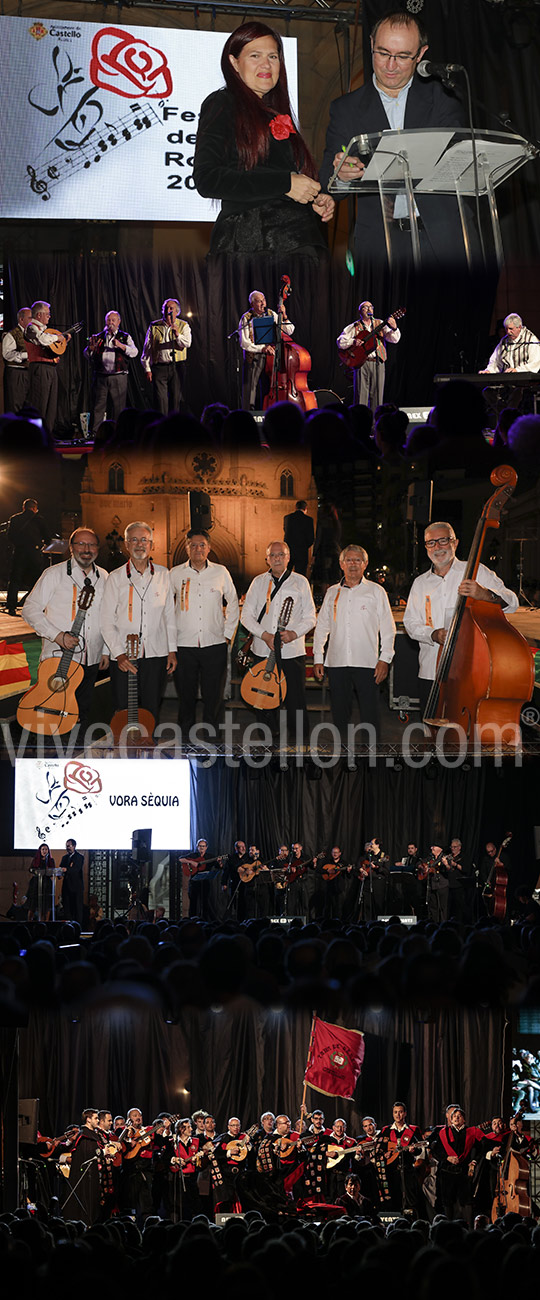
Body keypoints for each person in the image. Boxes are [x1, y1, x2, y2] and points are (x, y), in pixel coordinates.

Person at [319, 10, 466, 266]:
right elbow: (327, 179)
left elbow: (456, 164)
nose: (389, 65)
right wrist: (341, 176)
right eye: (383, 53)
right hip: (379, 245)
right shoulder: (346, 109)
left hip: (444, 240)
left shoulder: (443, 98)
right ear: (371, 45)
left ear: (420, 55)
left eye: (402, 56)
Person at [193, 22, 334, 258]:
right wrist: (285, 183)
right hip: (251, 246)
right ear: (234, 62)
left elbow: (280, 179)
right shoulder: (222, 103)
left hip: (297, 244)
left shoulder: (278, 114)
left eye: (273, 56)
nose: (266, 64)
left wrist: (313, 198)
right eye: (255, 55)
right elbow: (207, 179)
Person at [403, 521, 519, 712]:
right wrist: (433, 634)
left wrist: (485, 594)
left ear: (455, 543)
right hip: (431, 669)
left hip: (469, 669)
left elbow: (512, 603)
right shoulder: (420, 583)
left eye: (443, 540)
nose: (437, 547)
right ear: (426, 548)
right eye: (431, 543)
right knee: (431, 730)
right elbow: (410, 623)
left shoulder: (476, 571)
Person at [23, 527, 109, 730]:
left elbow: (108, 617)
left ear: (97, 548)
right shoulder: (53, 574)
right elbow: (30, 609)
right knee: (50, 715)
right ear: (71, 548)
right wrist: (57, 635)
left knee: (81, 714)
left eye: (91, 544)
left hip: (91, 659)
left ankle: (76, 755)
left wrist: (106, 650)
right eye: (81, 544)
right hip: (57, 658)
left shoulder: (105, 577)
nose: (86, 549)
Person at [100, 521, 177, 728]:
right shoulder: (115, 578)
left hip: (156, 654)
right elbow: (106, 620)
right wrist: (118, 653)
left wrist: (171, 651)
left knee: (151, 710)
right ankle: (123, 752)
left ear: (152, 544)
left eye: (144, 540)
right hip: (124, 657)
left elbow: (169, 615)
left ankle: (150, 749)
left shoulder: (164, 574)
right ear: (126, 544)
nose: (139, 544)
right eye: (134, 539)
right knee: (124, 711)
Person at [313, 544, 396, 737]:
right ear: (341, 564)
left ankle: (371, 759)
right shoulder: (332, 592)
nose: (353, 564)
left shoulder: (376, 592)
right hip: (337, 662)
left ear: (365, 564)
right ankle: (343, 757)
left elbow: (388, 628)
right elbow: (322, 626)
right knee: (340, 714)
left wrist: (385, 659)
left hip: (367, 663)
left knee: (370, 714)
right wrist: (318, 657)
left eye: (357, 560)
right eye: (349, 560)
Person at [241, 540, 316, 739]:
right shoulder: (258, 582)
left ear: (288, 557)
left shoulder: (300, 582)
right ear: (267, 559)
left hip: (291, 652)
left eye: (281, 554)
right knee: (263, 700)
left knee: (295, 701)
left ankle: (300, 746)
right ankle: (268, 744)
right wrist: (264, 635)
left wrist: (293, 633)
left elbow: (310, 616)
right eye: (273, 555)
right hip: (263, 650)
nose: (277, 558)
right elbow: (246, 616)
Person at [169, 529, 238, 741]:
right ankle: (186, 740)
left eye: (202, 545)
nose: (198, 549)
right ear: (187, 547)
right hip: (184, 644)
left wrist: (226, 634)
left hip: (214, 644)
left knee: (213, 696)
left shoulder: (221, 572)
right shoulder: (175, 573)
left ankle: (212, 738)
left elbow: (233, 602)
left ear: (209, 548)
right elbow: (166, 609)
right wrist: (170, 642)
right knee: (186, 696)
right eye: (193, 545)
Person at [239, 289, 295, 410]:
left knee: (268, 387)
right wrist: (262, 348)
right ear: (252, 304)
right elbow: (244, 343)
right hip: (254, 357)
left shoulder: (271, 314)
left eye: (263, 300)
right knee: (251, 388)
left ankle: (268, 411)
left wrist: (284, 316)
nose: (263, 304)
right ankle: (250, 414)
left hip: (271, 358)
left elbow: (289, 331)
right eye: (259, 302)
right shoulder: (246, 318)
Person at [337, 302, 401, 407]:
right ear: (360, 311)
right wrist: (353, 341)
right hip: (361, 363)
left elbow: (394, 339)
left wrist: (394, 328)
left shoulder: (380, 323)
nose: (368, 309)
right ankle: (360, 421)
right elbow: (340, 342)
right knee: (360, 395)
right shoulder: (354, 326)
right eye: (365, 307)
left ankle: (375, 422)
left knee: (377, 395)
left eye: (371, 307)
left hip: (378, 362)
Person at [84, 310, 138, 431]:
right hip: (101, 376)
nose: (111, 323)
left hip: (118, 376)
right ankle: (95, 433)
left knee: (118, 407)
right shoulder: (98, 337)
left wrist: (121, 346)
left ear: (119, 322)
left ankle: (118, 432)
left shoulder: (125, 337)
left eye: (113, 320)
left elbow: (135, 352)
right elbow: (87, 355)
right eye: (109, 320)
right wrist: (90, 349)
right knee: (98, 405)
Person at [25, 300, 71, 432]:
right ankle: (36, 437)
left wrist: (62, 342)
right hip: (40, 368)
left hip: (51, 368)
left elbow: (51, 345)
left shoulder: (48, 331)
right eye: (47, 314)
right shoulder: (31, 327)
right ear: (39, 315)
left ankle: (48, 436)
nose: (49, 317)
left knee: (51, 405)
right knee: (40, 403)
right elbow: (42, 339)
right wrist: (58, 338)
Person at [141, 298, 192, 414]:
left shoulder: (183, 325)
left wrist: (177, 334)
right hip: (159, 367)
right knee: (161, 400)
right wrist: (147, 369)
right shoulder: (154, 326)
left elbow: (187, 343)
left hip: (177, 366)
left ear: (177, 312)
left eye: (171, 308)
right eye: (166, 308)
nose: (167, 310)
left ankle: (173, 427)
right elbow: (147, 348)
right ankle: (162, 426)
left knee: (175, 400)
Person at [5, 497, 51, 617]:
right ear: (34, 508)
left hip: (19, 552)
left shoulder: (14, 519)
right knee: (36, 580)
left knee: (15, 579)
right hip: (34, 553)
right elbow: (48, 538)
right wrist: (41, 543)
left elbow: (10, 536)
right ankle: (36, 607)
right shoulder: (39, 519)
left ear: (24, 508)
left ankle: (11, 606)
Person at [2, 307, 31, 413]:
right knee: (15, 404)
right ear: (21, 320)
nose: (32, 321)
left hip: (29, 372)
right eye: (30, 318)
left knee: (28, 405)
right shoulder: (11, 335)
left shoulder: (32, 334)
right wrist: (25, 355)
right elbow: (7, 354)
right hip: (16, 373)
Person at [283, 500, 315, 577]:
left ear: (295, 507)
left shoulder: (287, 518)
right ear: (305, 508)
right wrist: (304, 546)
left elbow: (285, 530)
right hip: (302, 552)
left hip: (289, 550)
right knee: (300, 576)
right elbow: (311, 538)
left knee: (286, 575)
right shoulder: (309, 520)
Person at [27, 843, 56, 920]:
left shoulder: (51, 860)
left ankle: (44, 923)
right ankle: (29, 921)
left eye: (46, 849)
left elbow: (53, 870)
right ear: (40, 850)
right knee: (33, 905)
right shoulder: (36, 860)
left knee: (45, 906)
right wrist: (35, 871)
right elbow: (30, 869)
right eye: (43, 849)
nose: (44, 851)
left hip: (46, 885)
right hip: (36, 884)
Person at [59, 838, 85, 925]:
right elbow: (60, 869)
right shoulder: (64, 858)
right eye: (66, 846)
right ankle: (67, 927)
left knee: (77, 908)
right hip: (66, 887)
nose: (67, 848)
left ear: (74, 846)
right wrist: (59, 874)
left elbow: (76, 869)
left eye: (69, 846)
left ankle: (78, 927)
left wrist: (66, 869)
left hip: (76, 887)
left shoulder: (80, 857)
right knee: (67, 908)